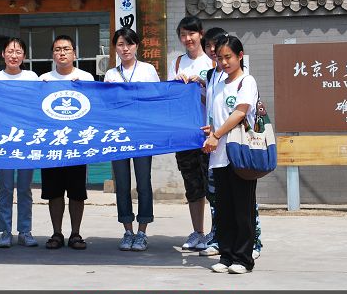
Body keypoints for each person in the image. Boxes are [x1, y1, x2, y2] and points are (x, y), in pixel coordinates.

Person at [192, 28, 264, 260]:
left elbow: (240, 113)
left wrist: (216, 135)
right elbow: (219, 115)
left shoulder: (246, 81)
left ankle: (244, 257)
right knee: (224, 209)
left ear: (240, 56)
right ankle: (226, 256)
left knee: (243, 209)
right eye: (220, 57)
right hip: (219, 156)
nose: (223, 62)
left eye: (228, 57)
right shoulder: (219, 83)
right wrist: (211, 130)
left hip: (240, 154)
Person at [104, 28, 160, 251]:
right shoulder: (111, 74)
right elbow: (105, 104)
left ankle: (142, 232)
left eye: (129, 44)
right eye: (120, 44)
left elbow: (157, 98)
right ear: (115, 48)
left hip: (142, 134)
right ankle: (127, 231)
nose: (125, 48)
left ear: (137, 45)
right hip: (118, 136)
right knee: (122, 184)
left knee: (144, 182)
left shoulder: (147, 70)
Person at [39, 35, 93, 250]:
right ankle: (57, 233)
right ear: (53, 54)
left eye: (66, 49)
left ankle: (75, 234)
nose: (62, 52)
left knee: (77, 192)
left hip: (77, 145)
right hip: (51, 145)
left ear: (74, 54)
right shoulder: (43, 80)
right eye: (58, 49)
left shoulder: (86, 78)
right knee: (54, 192)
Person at [167, 16, 214, 250]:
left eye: (191, 34)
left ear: (201, 34)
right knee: (192, 184)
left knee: (213, 185)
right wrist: (177, 86)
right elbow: (169, 98)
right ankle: (198, 232)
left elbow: (219, 99)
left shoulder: (212, 62)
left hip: (210, 134)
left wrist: (202, 85)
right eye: (183, 35)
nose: (188, 39)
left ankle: (217, 232)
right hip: (185, 134)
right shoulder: (177, 63)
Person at [0, 38, 39, 248]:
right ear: (3, 54)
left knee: (25, 188)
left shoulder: (32, 77)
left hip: (26, 140)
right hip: (5, 140)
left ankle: (25, 231)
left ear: (24, 56)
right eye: (10, 51)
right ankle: (5, 231)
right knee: (6, 187)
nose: (14, 55)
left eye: (18, 52)